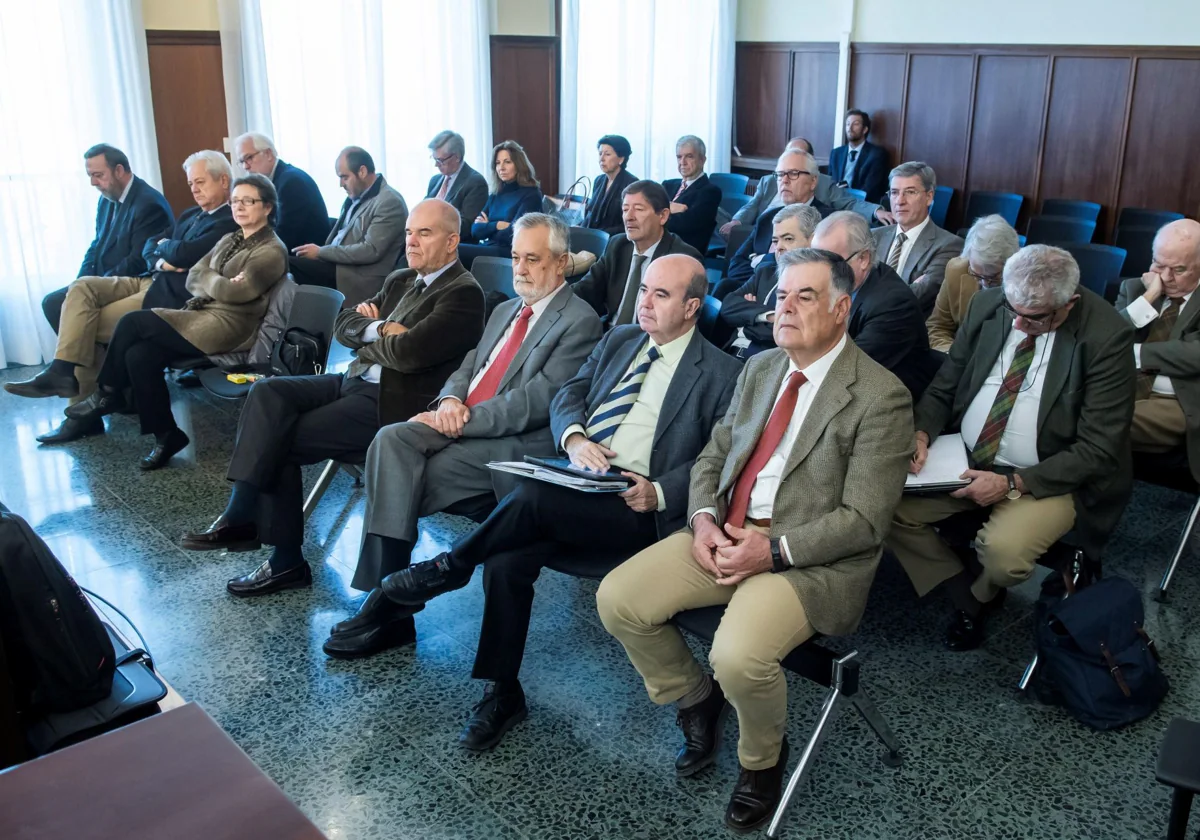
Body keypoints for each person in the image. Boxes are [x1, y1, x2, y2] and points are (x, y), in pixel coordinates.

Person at [596, 247, 913, 834]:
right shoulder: (762, 367)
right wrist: (702, 520)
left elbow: (864, 521)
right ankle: (695, 699)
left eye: (805, 296)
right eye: (781, 296)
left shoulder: (880, 395)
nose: (784, 307)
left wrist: (771, 550)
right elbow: (715, 454)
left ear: (842, 309)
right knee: (619, 599)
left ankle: (762, 761)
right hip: (727, 530)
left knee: (737, 657)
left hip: (808, 559)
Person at [367, 254, 740, 747]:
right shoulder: (622, 338)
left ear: (693, 306)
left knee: (528, 500)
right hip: (577, 477)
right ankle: (502, 691)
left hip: (637, 501)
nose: (644, 303)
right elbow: (571, 392)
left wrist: (661, 490)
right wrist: (575, 439)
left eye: (661, 295)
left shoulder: (722, 373)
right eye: (644, 289)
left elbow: (716, 458)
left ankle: (450, 567)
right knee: (507, 556)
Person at [319, 213, 603, 656]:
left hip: (512, 440)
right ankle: (388, 602)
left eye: (533, 259)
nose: (521, 269)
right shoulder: (508, 308)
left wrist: (464, 418)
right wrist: (449, 402)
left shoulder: (579, 321)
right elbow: (468, 367)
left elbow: (538, 400)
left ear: (562, 262)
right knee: (390, 441)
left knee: (398, 476)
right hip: (462, 418)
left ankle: (387, 607)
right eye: (515, 258)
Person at [180, 199, 486, 594]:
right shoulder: (400, 279)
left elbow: (409, 354)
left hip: (394, 402)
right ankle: (239, 512)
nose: (411, 241)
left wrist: (371, 335)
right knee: (268, 392)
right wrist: (382, 330)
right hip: (355, 381)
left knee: (280, 438)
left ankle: (284, 562)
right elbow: (345, 324)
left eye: (424, 233)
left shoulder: (463, 294)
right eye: (409, 232)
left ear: (452, 242)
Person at [888, 245, 1136, 651]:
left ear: (1069, 303)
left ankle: (982, 594)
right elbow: (944, 386)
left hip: (1049, 476)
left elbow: (1097, 449)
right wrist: (922, 433)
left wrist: (1013, 484)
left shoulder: (1106, 338)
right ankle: (964, 592)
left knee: (1004, 555)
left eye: (1034, 318)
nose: (1018, 324)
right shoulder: (990, 305)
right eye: (1013, 309)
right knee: (882, 507)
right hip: (964, 457)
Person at [62, 174, 289, 470]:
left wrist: (211, 279)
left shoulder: (271, 250)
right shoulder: (228, 238)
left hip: (232, 327)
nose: (239, 207)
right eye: (235, 201)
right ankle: (167, 435)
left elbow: (236, 292)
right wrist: (215, 280)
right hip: (204, 315)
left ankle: (107, 393)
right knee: (138, 355)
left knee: (132, 322)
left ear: (268, 207)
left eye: (249, 201)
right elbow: (193, 276)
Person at [8, 150, 237, 443]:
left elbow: (181, 253)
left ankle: (81, 406)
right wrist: (164, 257)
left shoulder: (227, 219)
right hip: (154, 278)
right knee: (79, 290)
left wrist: (165, 252)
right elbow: (152, 247)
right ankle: (62, 371)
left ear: (223, 181)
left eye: (200, 182)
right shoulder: (193, 214)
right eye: (191, 183)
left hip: (167, 293)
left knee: (81, 325)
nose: (193, 189)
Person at [41, 144, 173, 335]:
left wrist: (96, 284)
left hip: (131, 282)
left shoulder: (148, 204)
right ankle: (88, 363)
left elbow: (137, 260)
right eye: (90, 176)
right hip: (104, 279)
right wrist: (82, 282)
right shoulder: (106, 199)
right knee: (53, 302)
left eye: (98, 175)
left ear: (119, 170)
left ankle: (85, 363)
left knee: (57, 304)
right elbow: (97, 245)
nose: (93, 183)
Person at [811, 211, 935, 398]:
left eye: (833, 263)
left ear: (863, 259)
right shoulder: (840, 286)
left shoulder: (893, 304)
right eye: (817, 261)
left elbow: (844, 367)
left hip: (884, 407)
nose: (822, 272)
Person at [1115, 219, 1200, 480]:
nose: (1165, 277)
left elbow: (1194, 356)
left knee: (1105, 423)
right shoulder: (1135, 289)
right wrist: (1148, 297)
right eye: (1158, 264)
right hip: (1121, 388)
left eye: (1178, 269)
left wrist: (1133, 353)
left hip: (1177, 398)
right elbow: (1104, 340)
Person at [288, 146, 408, 305]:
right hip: (336, 267)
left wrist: (321, 252)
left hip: (356, 278)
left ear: (362, 171)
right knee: (285, 262)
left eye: (344, 177)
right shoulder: (356, 197)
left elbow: (370, 250)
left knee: (286, 264)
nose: (340, 184)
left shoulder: (389, 201)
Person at [572, 180, 701, 327]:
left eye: (639, 209)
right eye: (625, 209)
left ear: (663, 216)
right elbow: (584, 290)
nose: (629, 217)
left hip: (650, 340)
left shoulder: (682, 259)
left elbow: (677, 322)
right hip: (608, 334)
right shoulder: (618, 246)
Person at [720, 137, 888, 238]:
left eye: (798, 156)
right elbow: (752, 205)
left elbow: (850, 203)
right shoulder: (769, 180)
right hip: (760, 231)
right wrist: (737, 220)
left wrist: (876, 211)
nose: (785, 179)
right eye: (789, 153)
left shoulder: (823, 182)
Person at [718, 150, 832, 299]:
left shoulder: (826, 221)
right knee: (724, 287)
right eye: (779, 174)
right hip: (750, 291)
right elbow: (735, 266)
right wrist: (760, 278)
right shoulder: (767, 218)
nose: (784, 180)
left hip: (794, 298)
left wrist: (762, 260)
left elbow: (805, 269)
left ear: (813, 181)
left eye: (793, 173)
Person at [720, 204, 823, 358]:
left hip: (767, 362)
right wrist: (768, 316)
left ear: (812, 240)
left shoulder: (819, 284)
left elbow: (788, 335)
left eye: (788, 239)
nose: (779, 247)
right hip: (731, 353)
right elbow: (728, 306)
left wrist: (747, 321)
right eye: (775, 241)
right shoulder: (766, 271)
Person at [871, 162, 964, 316]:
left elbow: (915, 298)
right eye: (894, 192)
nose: (899, 201)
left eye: (910, 192)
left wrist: (869, 297)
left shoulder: (949, 245)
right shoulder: (873, 236)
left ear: (929, 197)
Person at [926, 215, 1020, 353]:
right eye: (977, 275)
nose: (984, 283)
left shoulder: (1026, 285)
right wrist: (953, 356)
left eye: (993, 277)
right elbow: (937, 327)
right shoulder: (956, 270)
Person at [233, 132, 331, 251]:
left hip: (305, 260)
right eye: (242, 162)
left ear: (268, 154)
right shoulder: (277, 180)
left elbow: (284, 235)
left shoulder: (292, 182)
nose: (245, 167)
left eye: (249, 158)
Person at [457, 140, 544, 269]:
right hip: (487, 247)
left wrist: (487, 227)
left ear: (519, 165)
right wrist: (497, 225)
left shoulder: (531, 194)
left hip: (508, 253)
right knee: (447, 247)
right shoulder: (496, 194)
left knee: (453, 250)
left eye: (507, 162)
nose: (501, 168)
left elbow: (516, 236)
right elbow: (475, 230)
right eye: (498, 163)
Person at [424, 130, 489, 242]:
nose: (436, 165)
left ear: (457, 157)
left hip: (455, 245)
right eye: (434, 159)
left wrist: (433, 224)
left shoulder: (475, 182)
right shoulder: (435, 181)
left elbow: (466, 226)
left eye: (440, 160)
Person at [661, 135, 721, 255]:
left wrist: (662, 211)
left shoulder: (710, 191)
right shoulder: (668, 185)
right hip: (660, 246)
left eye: (689, 156)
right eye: (679, 157)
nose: (682, 162)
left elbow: (686, 224)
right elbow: (650, 209)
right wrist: (672, 208)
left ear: (702, 160)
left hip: (684, 253)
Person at [828, 109, 889, 203]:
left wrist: (848, 197)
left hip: (860, 204)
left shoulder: (877, 154)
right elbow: (830, 182)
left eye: (855, 124)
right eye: (848, 124)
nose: (850, 128)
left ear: (865, 129)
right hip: (835, 202)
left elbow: (870, 189)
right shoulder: (836, 153)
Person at [583, 134, 637, 236]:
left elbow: (629, 222)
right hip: (593, 236)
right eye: (600, 154)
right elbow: (591, 214)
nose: (601, 159)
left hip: (614, 240)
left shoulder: (631, 184)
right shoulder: (599, 180)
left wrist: (600, 234)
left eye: (607, 154)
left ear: (621, 159)